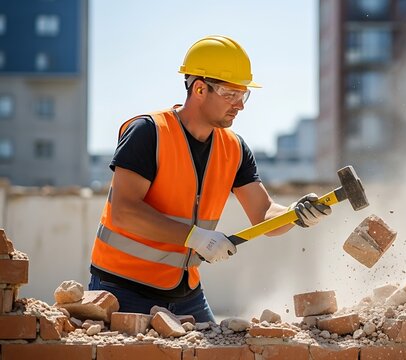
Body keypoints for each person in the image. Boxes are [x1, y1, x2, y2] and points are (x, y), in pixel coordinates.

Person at [88, 35, 331, 323]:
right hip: (121, 290)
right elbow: (125, 212)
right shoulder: (148, 132)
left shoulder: (234, 148)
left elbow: (263, 213)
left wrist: (295, 215)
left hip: (186, 293)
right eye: (230, 94)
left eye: (244, 95)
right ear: (200, 88)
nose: (240, 105)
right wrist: (195, 237)